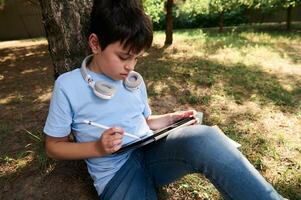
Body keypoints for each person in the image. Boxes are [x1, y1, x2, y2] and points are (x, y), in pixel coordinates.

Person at [44, 0, 284, 199]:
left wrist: (172, 119)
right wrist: (97, 147)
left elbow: (145, 122)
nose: (130, 67)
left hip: (152, 153)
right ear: (95, 43)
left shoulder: (133, 81)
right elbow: (54, 147)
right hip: (116, 174)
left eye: (136, 58)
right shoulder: (68, 86)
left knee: (206, 137)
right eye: (124, 57)